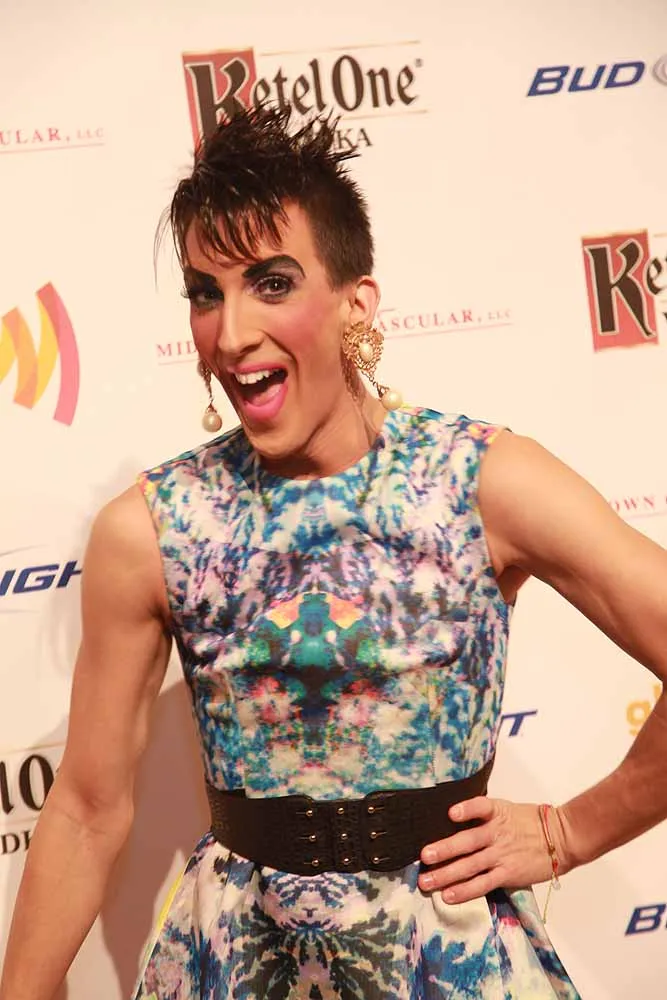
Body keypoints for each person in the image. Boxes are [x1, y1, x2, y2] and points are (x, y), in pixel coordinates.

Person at [2, 106, 667, 1000]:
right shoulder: (151, 528)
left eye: (270, 282)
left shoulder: (480, 480)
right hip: (234, 962)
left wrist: (569, 832)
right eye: (205, 292)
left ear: (356, 303)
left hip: (443, 960)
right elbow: (86, 810)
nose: (230, 333)